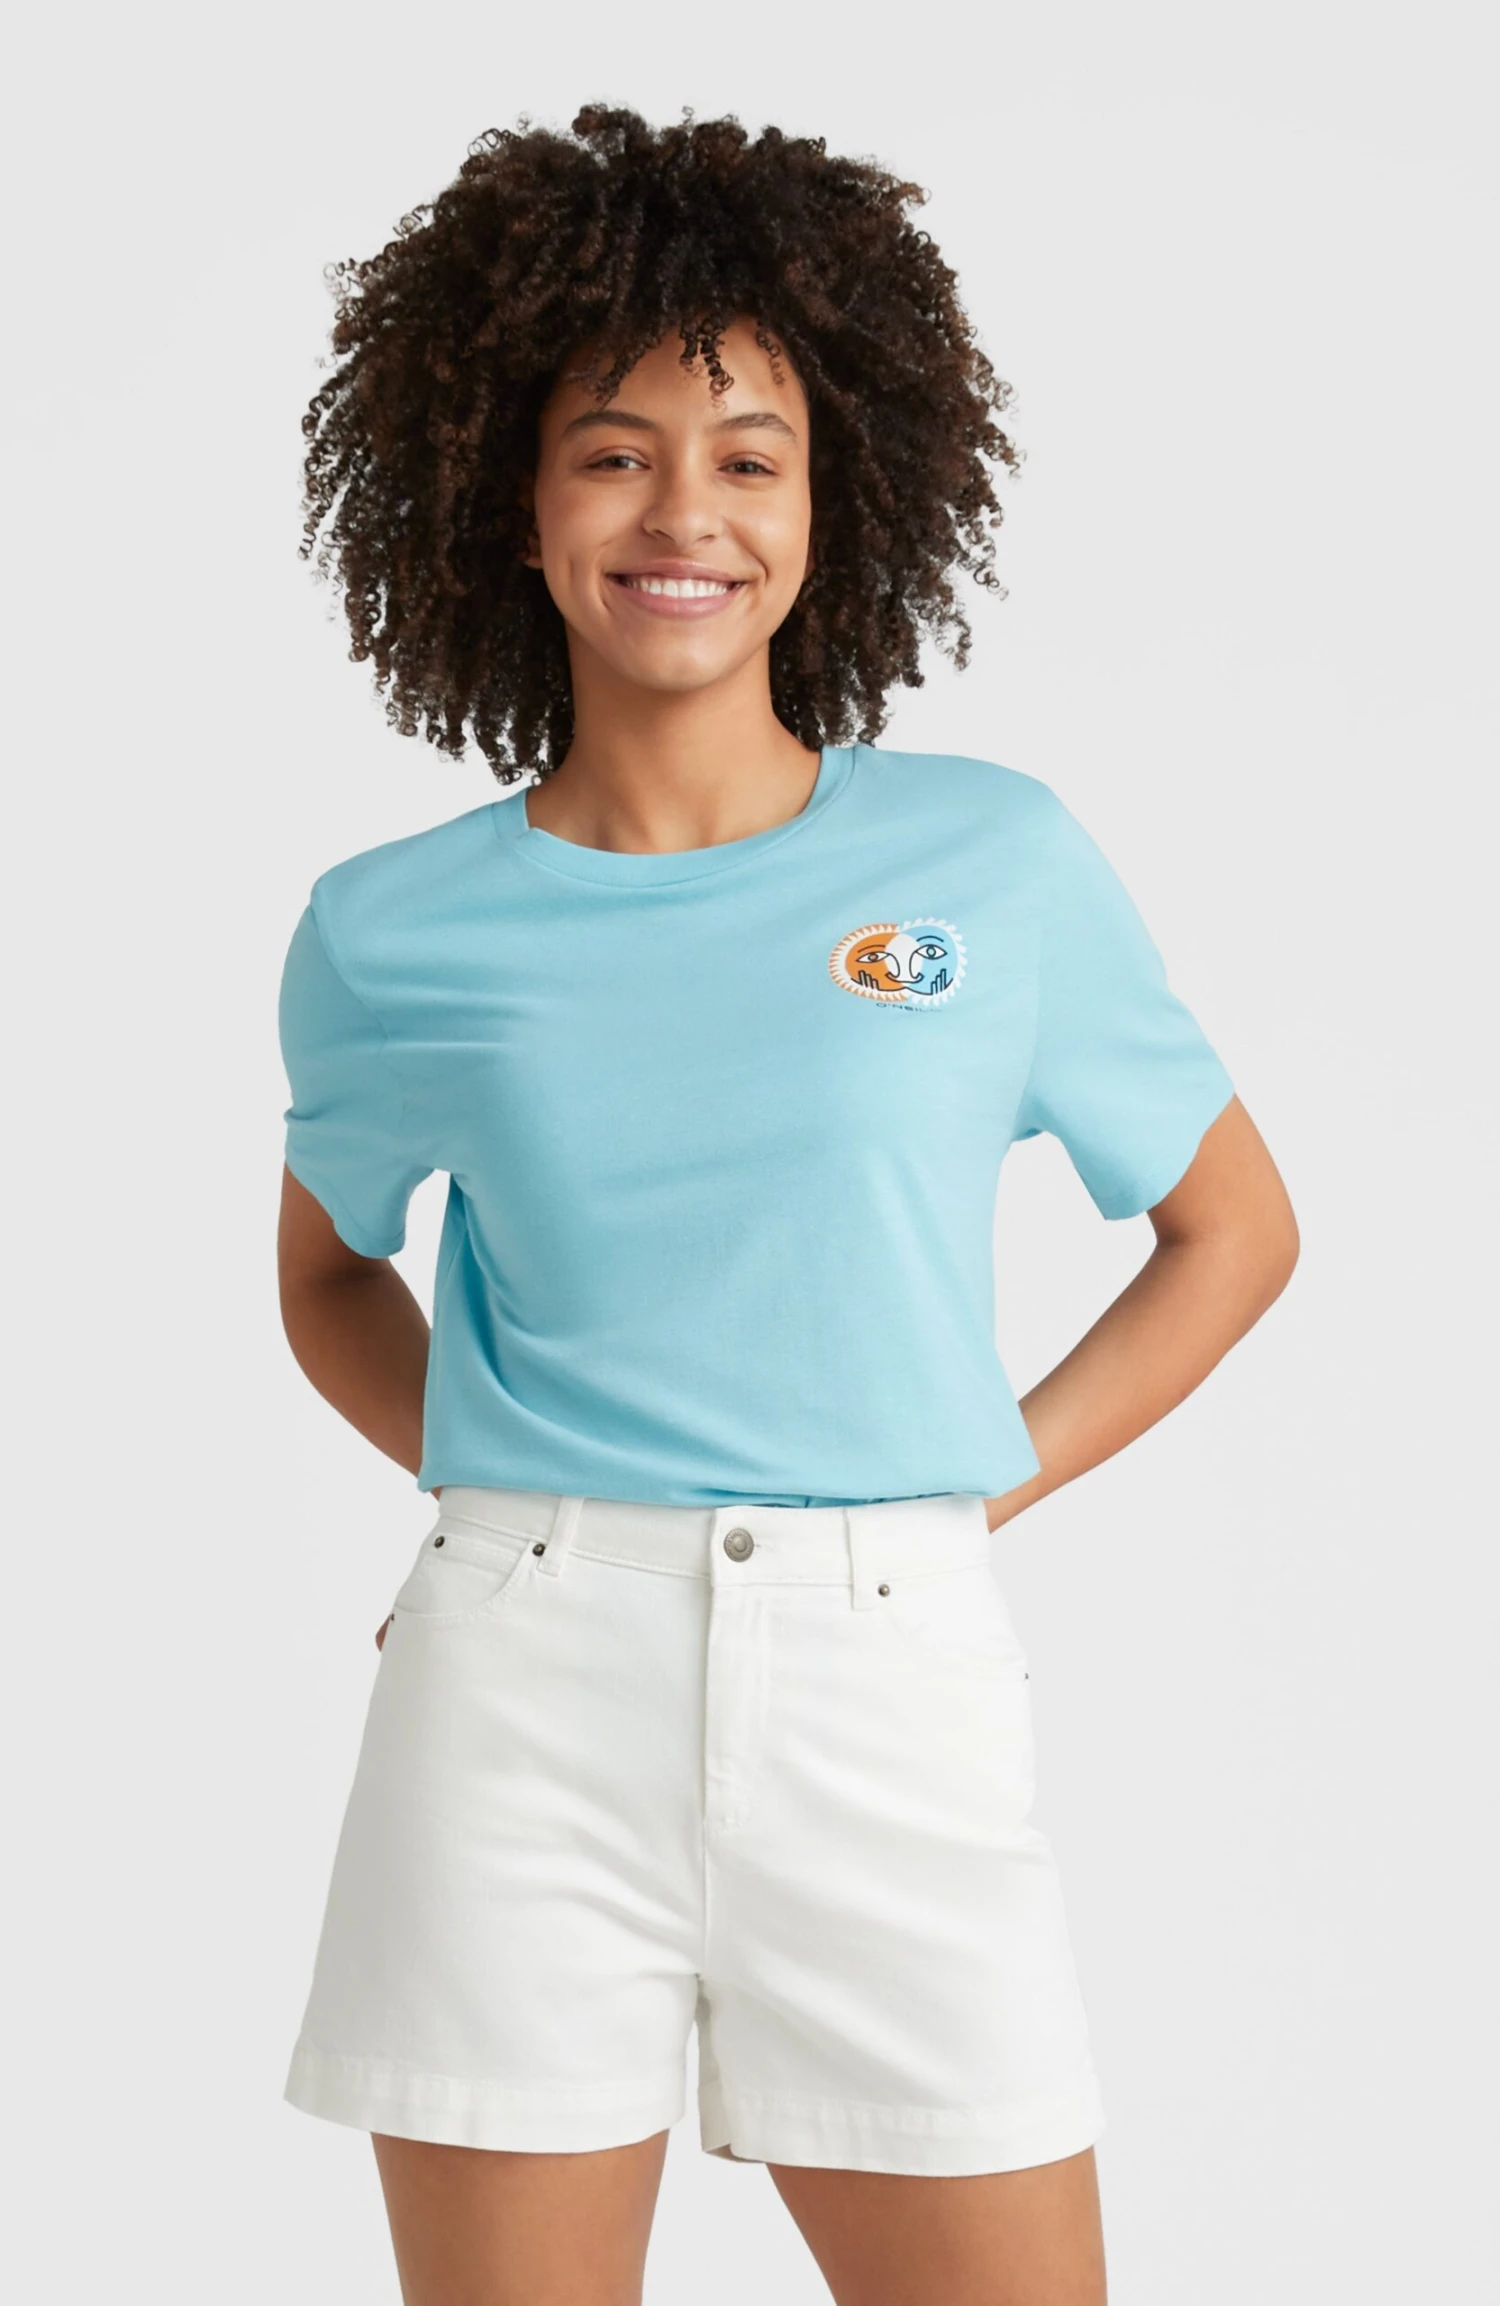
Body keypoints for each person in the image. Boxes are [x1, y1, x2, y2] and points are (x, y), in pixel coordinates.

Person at [275, 103, 1299, 2306]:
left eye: (749, 456)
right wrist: (514, 1497)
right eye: (613, 452)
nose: (685, 513)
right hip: (514, 1704)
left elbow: (1235, 1232)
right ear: (516, 503)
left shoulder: (993, 861)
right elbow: (328, 1274)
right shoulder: (391, 929)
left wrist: (965, 1483)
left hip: (890, 1680)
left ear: (832, 503)